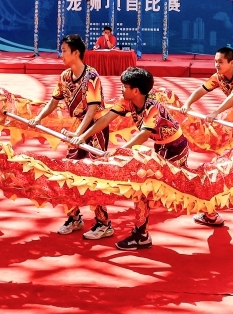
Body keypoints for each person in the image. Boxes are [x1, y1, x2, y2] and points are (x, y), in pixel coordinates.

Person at [77, 67, 219, 250]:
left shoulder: (153, 107)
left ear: (135, 90)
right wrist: (81, 136)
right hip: (162, 147)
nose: (121, 90)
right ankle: (211, 212)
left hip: (175, 148)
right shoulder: (127, 102)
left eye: (124, 87)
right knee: (183, 186)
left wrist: (121, 150)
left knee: (147, 189)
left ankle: (141, 235)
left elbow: (143, 135)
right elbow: (105, 120)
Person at [28, 34, 114, 240]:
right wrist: (37, 118)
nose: (61, 55)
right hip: (77, 127)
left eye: (64, 51)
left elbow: (93, 109)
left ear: (76, 53)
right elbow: (53, 101)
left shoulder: (92, 76)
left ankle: (104, 223)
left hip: (95, 129)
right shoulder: (65, 76)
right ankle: (74, 217)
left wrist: (80, 135)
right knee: (69, 173)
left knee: (94, 176)